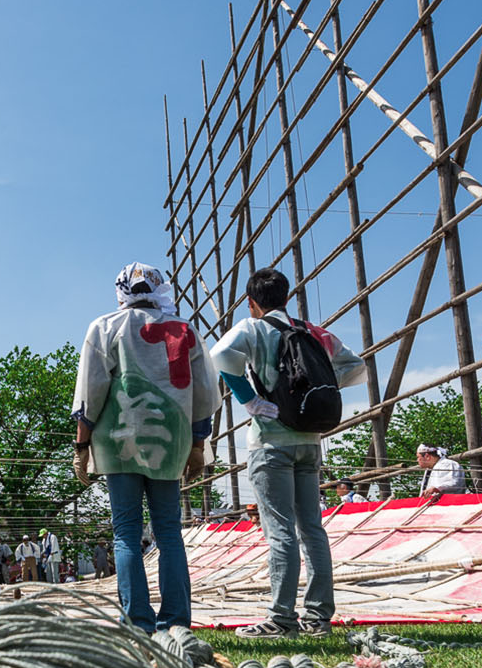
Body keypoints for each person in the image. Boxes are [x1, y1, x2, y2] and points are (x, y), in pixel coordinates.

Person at [209, 267, 365, 638]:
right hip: (310, 441)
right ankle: (318, 618)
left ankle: (281, 618)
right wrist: (311, 387)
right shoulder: (313, 331)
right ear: (286, 296)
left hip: (271, 442)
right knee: (312, 528)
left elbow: (218, 355)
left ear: (251, 302)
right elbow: (356, 368)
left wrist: (251, 401)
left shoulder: (253, 328)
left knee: (279, 532)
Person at [73, 262, 218, 633]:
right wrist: (198, 445)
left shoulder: (105, 327)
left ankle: (138, 621)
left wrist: (81, 446)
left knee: (125, 530)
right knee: (168, 529)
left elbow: (91, 391)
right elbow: (203, 393)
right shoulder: (185, 330)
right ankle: (176, 621)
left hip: (118, 438)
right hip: (171, 440)